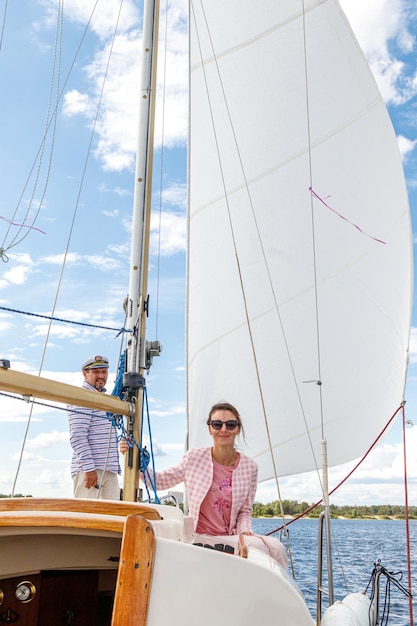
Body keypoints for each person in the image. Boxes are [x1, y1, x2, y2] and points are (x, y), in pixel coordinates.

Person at [121, 401, 287, 568]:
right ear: (209, 429)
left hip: (230, 537)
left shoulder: (250, 467)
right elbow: (161, 481)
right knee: (262, 547)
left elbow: (245, 511)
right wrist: (136, 460)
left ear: (237, 429)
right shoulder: (194, 457)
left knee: (276, 547)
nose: (223, 429)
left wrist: (245, 535)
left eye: (230, 425)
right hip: (198, 535)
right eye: (217, 424)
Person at [68, 355, 121, 499]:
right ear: (85, 373)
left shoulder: (104, 399)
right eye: (96, 372)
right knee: (87, 518)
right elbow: (77, 436)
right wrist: (89, 468)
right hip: (91, 471)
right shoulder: (82, 397)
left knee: (112, 519)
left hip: (109, 471)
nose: (101, 376)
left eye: (104, 372)